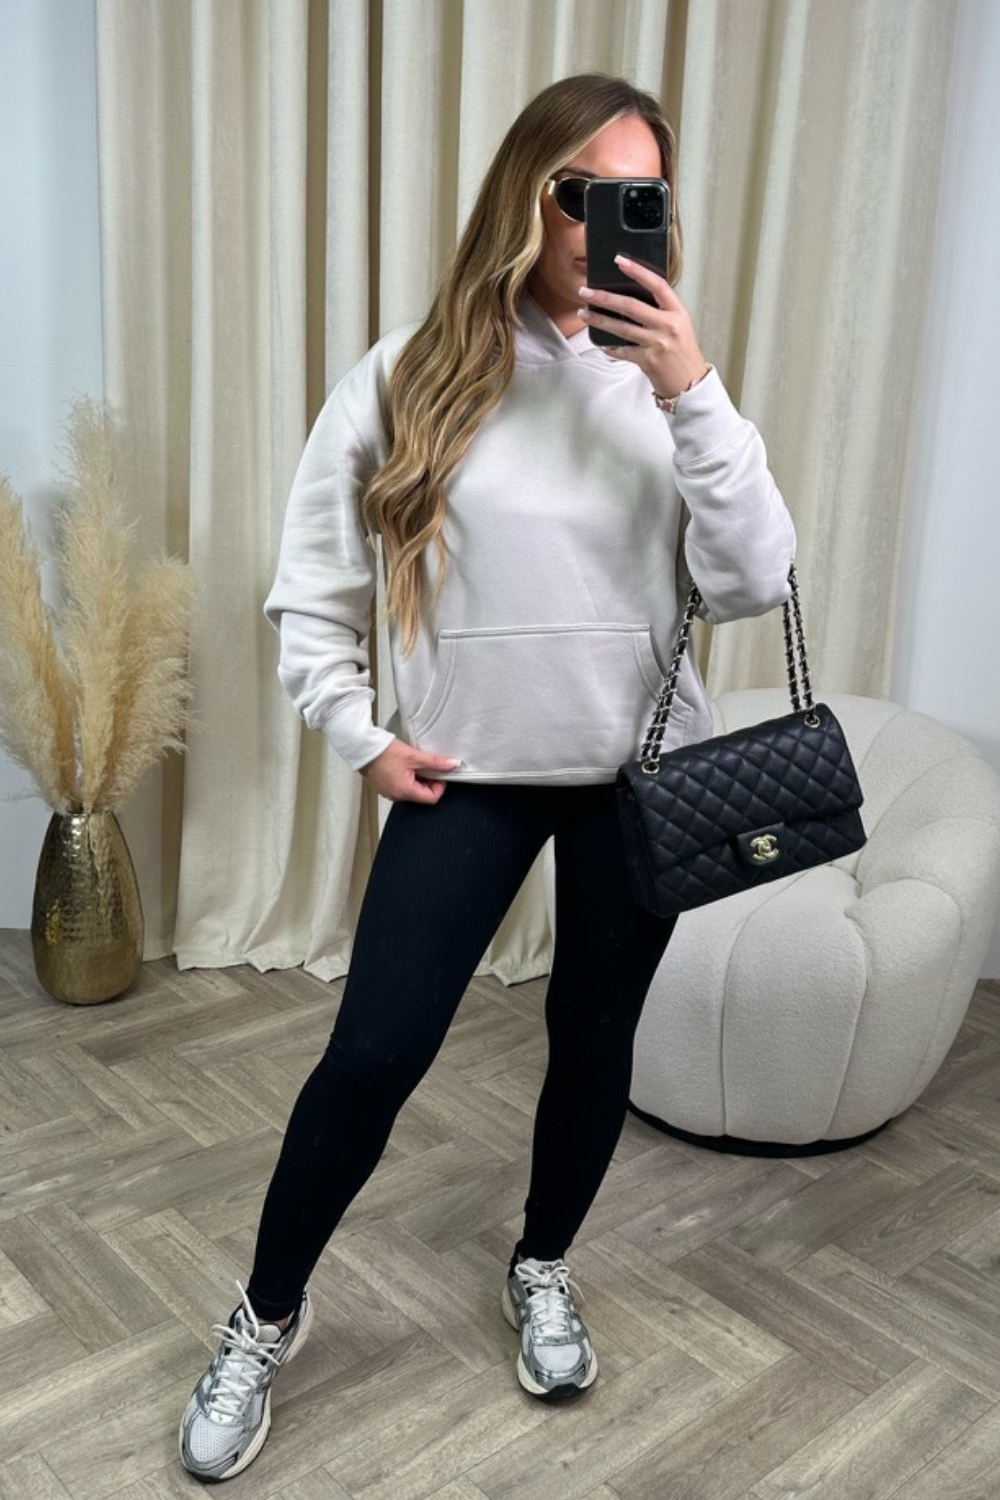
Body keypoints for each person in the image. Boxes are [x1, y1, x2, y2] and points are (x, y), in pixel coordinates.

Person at [179, 72, 794, 1482]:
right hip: (475, 774)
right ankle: (264, 1316)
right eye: (581, 193)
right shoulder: (410, 371)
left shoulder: (670, 388)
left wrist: (690, 389)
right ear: (528, 194)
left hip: (637, 779)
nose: (604, 224)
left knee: (592, 1042)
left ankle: (542, 1263)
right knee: (373, 1056)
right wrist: (358, 732)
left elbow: (756, 578)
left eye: (638, 197)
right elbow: (313, 588)